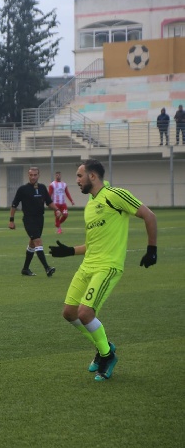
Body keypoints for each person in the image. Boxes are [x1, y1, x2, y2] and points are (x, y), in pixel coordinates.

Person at [50, 159, 157, 381]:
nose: (76, 181)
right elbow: (92, 245)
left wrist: (152, 249)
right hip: (87, 265)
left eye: (79, 176)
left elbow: (149, 215)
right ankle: (104, 347)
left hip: (108, 266)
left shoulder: (115, 195)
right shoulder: (91, 205)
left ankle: (107, 356)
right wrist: (69, 251)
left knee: (85, 313)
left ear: (93, 176)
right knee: (69, 313)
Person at [9, 166, 59, 277]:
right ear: (28, 175)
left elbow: (49, 202)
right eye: (31, 175)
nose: (33, 177)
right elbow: (14, 205)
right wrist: (11, 220)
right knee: (38, 241)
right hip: (29, 219)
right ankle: (47, 268)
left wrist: (57, 210)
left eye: (35, 175)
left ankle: (25, 269)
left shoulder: (42, 187)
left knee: (32, 244)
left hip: (40, 219)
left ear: (38, 175)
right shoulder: (22, 189)